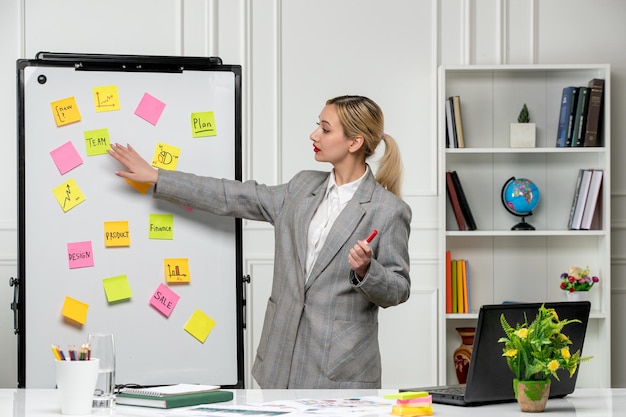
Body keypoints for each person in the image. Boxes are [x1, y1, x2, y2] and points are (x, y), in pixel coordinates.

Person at [108, 95, 411, 389]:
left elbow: (398, 289)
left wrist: (366, 270)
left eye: (325, 129)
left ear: (354, 142)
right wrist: (158, 176)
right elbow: (234, 195)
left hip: (341, 368)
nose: (314, 134)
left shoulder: (388, 210)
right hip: (280, 361)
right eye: (317, 125)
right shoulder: (302, 186)